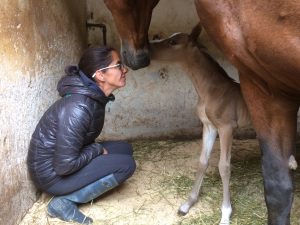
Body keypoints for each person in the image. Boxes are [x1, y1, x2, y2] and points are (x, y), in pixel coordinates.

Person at [27, 46, 136, 224]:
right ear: (100, 75)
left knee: (125, 149)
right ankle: (65, 201)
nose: (125, 70)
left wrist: (96, 149)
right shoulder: (78, 108)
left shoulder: (93, 97)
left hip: (64, 162)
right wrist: (96, 150)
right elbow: (64, 165)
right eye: (118, 66)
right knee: (126, 165)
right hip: (52, 176)